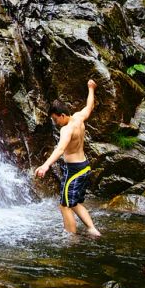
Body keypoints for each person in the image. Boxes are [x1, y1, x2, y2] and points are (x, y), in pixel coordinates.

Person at [35, 79, 101, 237]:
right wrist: (91, 88)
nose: (55, 122)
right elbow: (89, 107)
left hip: (74, 171)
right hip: (84, 167)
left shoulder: (67, 129)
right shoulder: (78, 118)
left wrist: (45, 165)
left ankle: (71, 238)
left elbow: (60, 148)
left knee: (64, 205)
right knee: (74, 202)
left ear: (63, 115)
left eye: (56, 119)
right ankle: (93, 230)